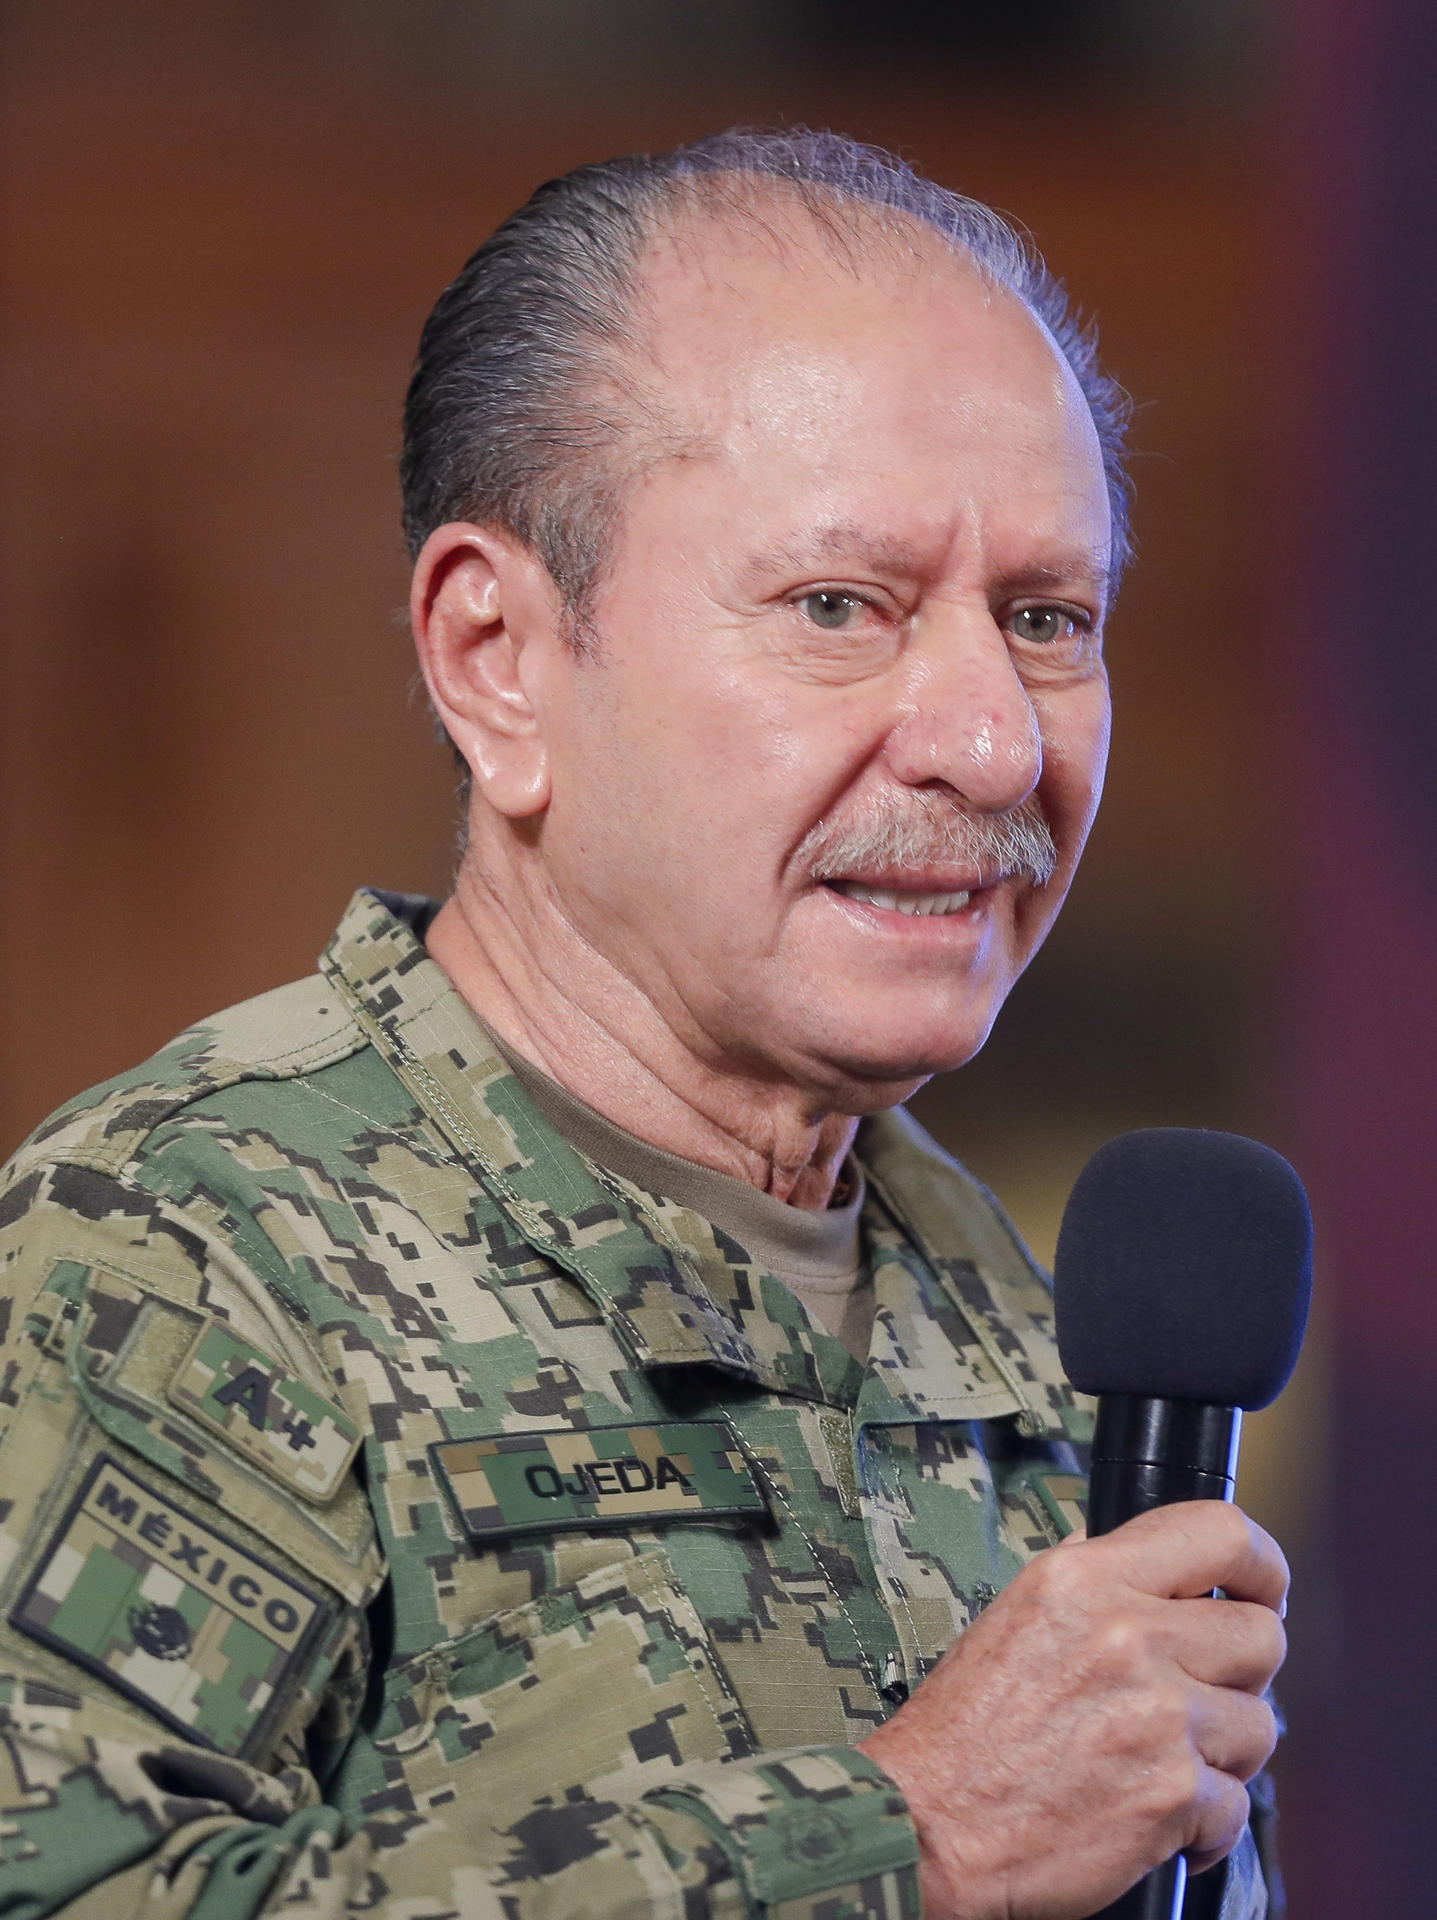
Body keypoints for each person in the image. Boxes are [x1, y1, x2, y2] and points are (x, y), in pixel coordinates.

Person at [0, 130, 1286, 1920]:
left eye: (1048, 619)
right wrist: (902, 1841)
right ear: (497, 658)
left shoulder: (993, 1298)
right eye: (840, 607)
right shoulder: (195, 1243)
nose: (995, 744)